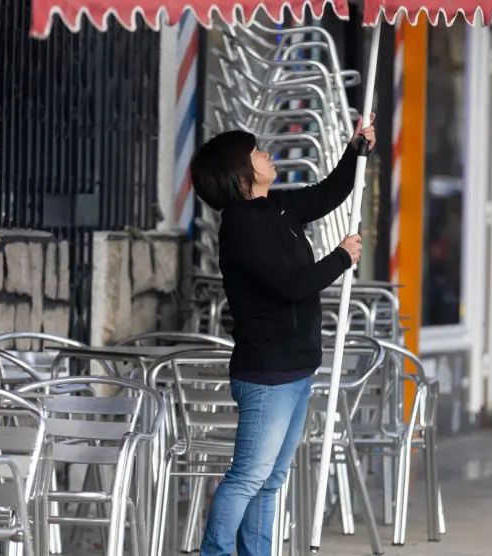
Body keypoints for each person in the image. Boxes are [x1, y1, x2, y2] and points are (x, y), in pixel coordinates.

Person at [189, 116, 376, 556]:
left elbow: (330, 193)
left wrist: (356, 150)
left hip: (296, 368)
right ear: (239, 174)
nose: (266, 154)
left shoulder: (277, 208)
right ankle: (215, 552)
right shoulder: (241, 228)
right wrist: (342, 257)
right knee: (248, 477)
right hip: (267, 374)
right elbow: (292, 284)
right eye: (255, 152)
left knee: (270, 481)